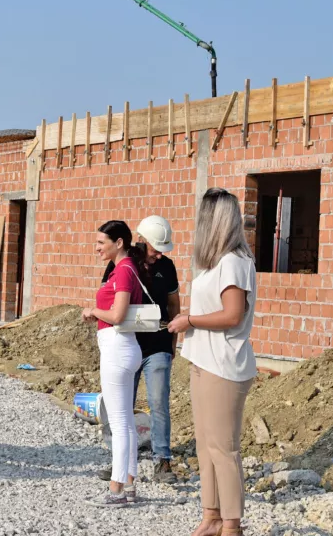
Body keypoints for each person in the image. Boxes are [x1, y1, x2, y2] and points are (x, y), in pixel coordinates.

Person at [168, 188, 257, 536]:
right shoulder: (216, 263)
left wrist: (189, 320)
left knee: (224, 447)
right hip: (202, 360)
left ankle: (232, 524)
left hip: (224, 364)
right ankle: (211, 516)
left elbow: (233, 315)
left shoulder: (235, 262)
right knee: (205, 445)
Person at [97, 216, 179, 484]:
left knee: (158, 403)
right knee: (120, 406)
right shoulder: (123, 265)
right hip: (128, 343)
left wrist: (172, 343)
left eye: (162, 250)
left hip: (157, 345)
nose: (159, 254)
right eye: (156, 248)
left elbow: (173, 305)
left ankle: (162, 462)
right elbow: (110, 300)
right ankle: (118, 463)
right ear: (142, 241)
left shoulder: (167, 268)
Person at [82, 220, 147, 507]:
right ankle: (129, 485)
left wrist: (93, 311)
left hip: (117, 349)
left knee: (119, 424)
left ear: (118, 242)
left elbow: (118, 314)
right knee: (127, 424)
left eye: (101, 243)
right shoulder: (127, 268)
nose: (97, 248)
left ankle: (116, 489)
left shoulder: (123, 270)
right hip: (124, 348)